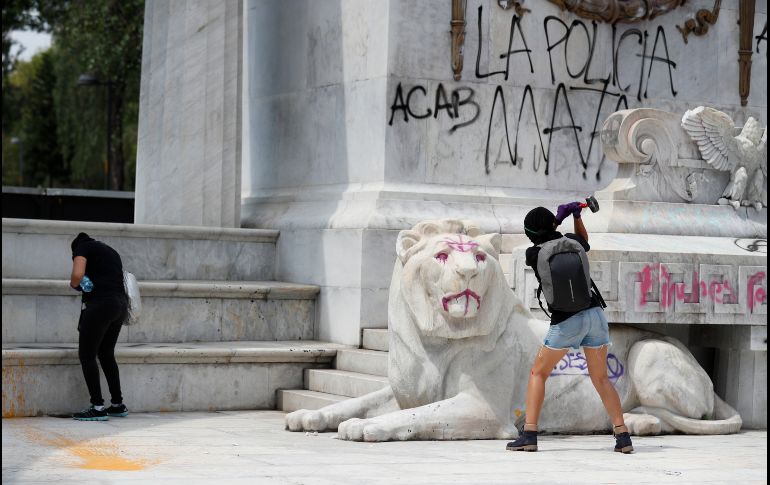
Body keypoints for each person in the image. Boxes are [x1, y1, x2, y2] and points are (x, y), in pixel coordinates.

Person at [505, 204, 633, 454]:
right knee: (601, 378)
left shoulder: (533, 253)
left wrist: (556, 220)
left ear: (532, 232)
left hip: (567, 321)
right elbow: (583, 241)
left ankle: (529, 433)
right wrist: (575, 215)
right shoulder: (573, 241)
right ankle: (623, 436)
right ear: (553, 225)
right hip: (595, 315)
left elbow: (547, 238)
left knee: (538, 373)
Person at [69, 232, 130, 421]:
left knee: (87, 355)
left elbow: (78, 274)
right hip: (119, 305)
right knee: (106, 353)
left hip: (100, 306)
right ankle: (117, 404)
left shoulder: (82, 247)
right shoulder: (110, 251)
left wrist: (74, 284)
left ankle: (97, 406)